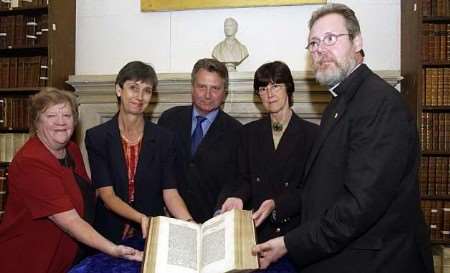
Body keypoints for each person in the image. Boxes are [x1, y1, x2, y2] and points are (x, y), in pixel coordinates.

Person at [253, 3, 434, 273]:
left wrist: (289, 243)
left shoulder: (379, 103)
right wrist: (279, 205)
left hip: (375, 262)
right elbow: (323, 187)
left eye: (330, 39)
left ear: (357, 41)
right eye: (313, 44)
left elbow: (359, 207)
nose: (320, 50)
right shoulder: (339, 103)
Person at [0, 88, 141, 273]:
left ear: (75, 120)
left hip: (66, 257)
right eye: (51, 115)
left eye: (67, 115)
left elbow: (86, 196)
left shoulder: (71, 149)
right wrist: (113, 249)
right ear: (36, 122)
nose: (60, 122)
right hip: (30, 260)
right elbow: (71, 221)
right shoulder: (30, 161)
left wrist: (122, 220)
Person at [85, 61, 192, 244]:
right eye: (133, 88)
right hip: (110, 232)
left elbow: (170, 192)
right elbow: (107, 195)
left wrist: (189, 225)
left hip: (152, 232)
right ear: (119, 90)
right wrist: (140, 218)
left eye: (147, 90)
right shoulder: (97, 137)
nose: (139, 96)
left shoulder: (164, 138)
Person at [221, 61, 318, 245]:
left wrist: (277, 205)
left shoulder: (312, 135)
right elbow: (244, 178)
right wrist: (237, 197)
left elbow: (312, 190)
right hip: (255, 233)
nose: (269, 94)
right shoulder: (248, 133)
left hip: (293, 234)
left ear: (288, 88)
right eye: (263, 88)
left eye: (276, 86)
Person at [158, 58, 242, 224]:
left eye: (215, 88)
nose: (208, 95)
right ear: (192, 87)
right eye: (202, 86)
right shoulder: (168, 119)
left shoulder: (237, 132)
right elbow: (157, 169)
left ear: (225, 92)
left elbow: (233, 182)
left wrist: (217, 217)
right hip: (168, 218)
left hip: (210, 223)